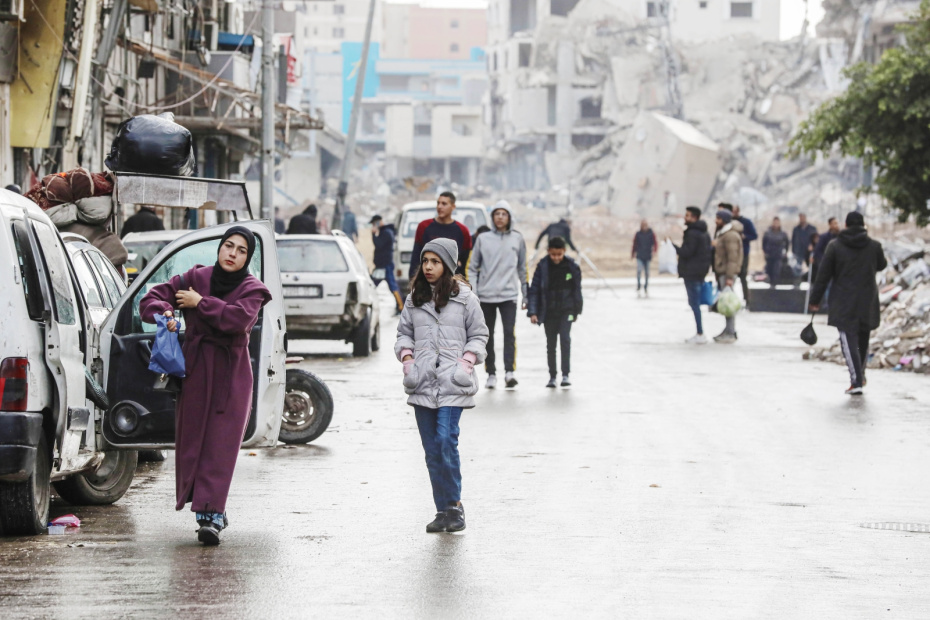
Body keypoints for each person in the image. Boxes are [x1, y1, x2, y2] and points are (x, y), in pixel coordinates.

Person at [139, 227, 272, 545]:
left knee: (220, 445)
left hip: (231, 375)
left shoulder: (253, 288)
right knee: (194, 441)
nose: (233, 254)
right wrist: (168, 313)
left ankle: (211, 517)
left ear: (247, 258)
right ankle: (208, 509)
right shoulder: (194, 277)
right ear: (220, 248)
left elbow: (237, 320)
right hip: (195, 370)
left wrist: (200, 304)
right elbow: (150, 300)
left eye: (241, 251)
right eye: (229, 246)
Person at [395, 238, 489, 534]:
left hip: (452, 381)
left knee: (446, 440)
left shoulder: (465, 299)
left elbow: (479, 335)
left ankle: (455, 506)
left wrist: (467, 362)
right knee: (432, 449)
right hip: (422, 382)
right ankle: (442, 510)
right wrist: (408, 359)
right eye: (425, 262)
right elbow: (403, 335)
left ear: (448, 265)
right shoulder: (414, 299)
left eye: (435, 262)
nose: (429, 267)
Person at [809, 212, 886, 395]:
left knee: (848, 339)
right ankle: (861, 375)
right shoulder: (874, 246)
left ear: (845, 224)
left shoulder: (835, 246)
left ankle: (856, 380)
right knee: (863, 337)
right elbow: (881, 265)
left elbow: (823, 275)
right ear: (863, 225)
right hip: (867, 299)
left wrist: (814, 300)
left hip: (843, 300)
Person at [468, 200, 528, 389]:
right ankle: (491, 373)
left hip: (509, 295)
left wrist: (526, 293)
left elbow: (522, 268)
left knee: (509, 334)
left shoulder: (517, 239)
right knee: (488, 336)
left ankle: (510, 372)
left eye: (504, 214)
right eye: (497, 214)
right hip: (486, 296)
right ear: (492, 217)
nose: (500, 217)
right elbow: (472, 267)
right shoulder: (483, 239)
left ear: (509, 217)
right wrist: (474, 293)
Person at [527, 237, 583, 388]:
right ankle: (552, 376)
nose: (557, 258)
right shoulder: (543, 266)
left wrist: (577, 309)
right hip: (549, 312)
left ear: (564, 251)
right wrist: (533, 312)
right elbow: (534, 289)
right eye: (553, 254)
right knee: (551, 344)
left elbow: (577, 289)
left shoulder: (572, 266)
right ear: (548, 252)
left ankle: (565, 375)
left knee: (565, 340)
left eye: (559, 254)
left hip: (567, 310)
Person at [409, 192, 472, 279]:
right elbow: (416, 258)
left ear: (453, 207)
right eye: (438, 203)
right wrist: (413, 281)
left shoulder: (462, 230)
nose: (439, 206)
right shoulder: (424, 226)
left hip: (452, 281)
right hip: (426, 280)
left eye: (444, 204)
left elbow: (465, 262)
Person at [673, 206, 713, 344]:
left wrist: (673, 247)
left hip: (691, 272)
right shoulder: (705, 233)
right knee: (695, 303)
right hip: (700, 272)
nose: (685, 218)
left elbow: (687, 252)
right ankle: (700, 332)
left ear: (694, 217)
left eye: (688, 215)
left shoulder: (692, 233)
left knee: (694, 303)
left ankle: (700, 333)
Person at [712, 209, 743, 343]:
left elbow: (732, 258)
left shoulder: (730, 236)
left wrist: (730, 277)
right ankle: (728, 329)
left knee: (728, 303)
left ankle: (730, 332)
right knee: (725, 303)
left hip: (727, 273)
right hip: (723, 272)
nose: (716, 221)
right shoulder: (724, 234)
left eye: (718, 218)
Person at [370, 215, 403, 314]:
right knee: (372, 284)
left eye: (374, 224)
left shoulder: (386, 233)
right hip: (381, 265)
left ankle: (401, 306)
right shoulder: (385, 232)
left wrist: (373, 235)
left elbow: (378, 244)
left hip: (385, 265)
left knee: (392, 286)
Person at [731, 204, 758, 305]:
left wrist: (745, 237)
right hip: (732, 253)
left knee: (743, 276)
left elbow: (754, 235)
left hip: (743, 253)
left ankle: (747, 300)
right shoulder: (728, 222)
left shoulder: (746, 222)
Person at [631, 219, 658, 297]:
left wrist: (654, 251)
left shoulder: (651, 233)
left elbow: (655, 243)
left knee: (647, 273)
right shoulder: (638, 234)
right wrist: (632, 254)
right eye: (643, 225)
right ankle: (639, 286)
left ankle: (646, 287)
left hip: (647, 255)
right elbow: (634, 244)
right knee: (639, 271)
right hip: (639, 255)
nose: (644, 227)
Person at [762, 217, 789, 288]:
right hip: (770, 254)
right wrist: (765, 252)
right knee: (769, 270)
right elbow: (764, 243)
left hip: (778, 255)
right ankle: (771, 285)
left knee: (776, 270)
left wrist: (785, 252)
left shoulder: (783, 233)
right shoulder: (768, 233)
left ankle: (775, 285)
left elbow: (787, 243)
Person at [812, 217, 840, 282]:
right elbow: (818, 251)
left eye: (837, 223)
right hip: (827, 266)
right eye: (834, 223)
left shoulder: (841, 236)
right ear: (830, 225)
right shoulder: (824, 237)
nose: (837, 225)